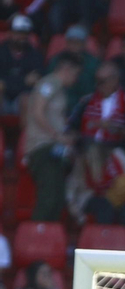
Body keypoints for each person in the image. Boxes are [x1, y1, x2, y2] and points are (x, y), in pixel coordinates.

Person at [21, 53, 81, 223]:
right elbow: (37, 112)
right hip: (42, 147)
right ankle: (34, 237)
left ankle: (48, 238)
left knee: (57, 198)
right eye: (76, 74)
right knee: (49, 197)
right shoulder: (49, 83)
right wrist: (58, 136)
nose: (76, 79)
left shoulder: (58, 89)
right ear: (67, 69)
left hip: (53, 149)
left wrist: (66, 137)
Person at [0, 15, 44, 116]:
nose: (22, 37)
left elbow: (36, 80)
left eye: (25, 33)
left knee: (26, 98)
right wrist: (24, 80)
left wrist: (7, 83)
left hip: (22, 99)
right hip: (3, 99)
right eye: (18, 33)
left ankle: (25, 132)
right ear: (10, 33)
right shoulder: (1, 51)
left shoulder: (35, 54)